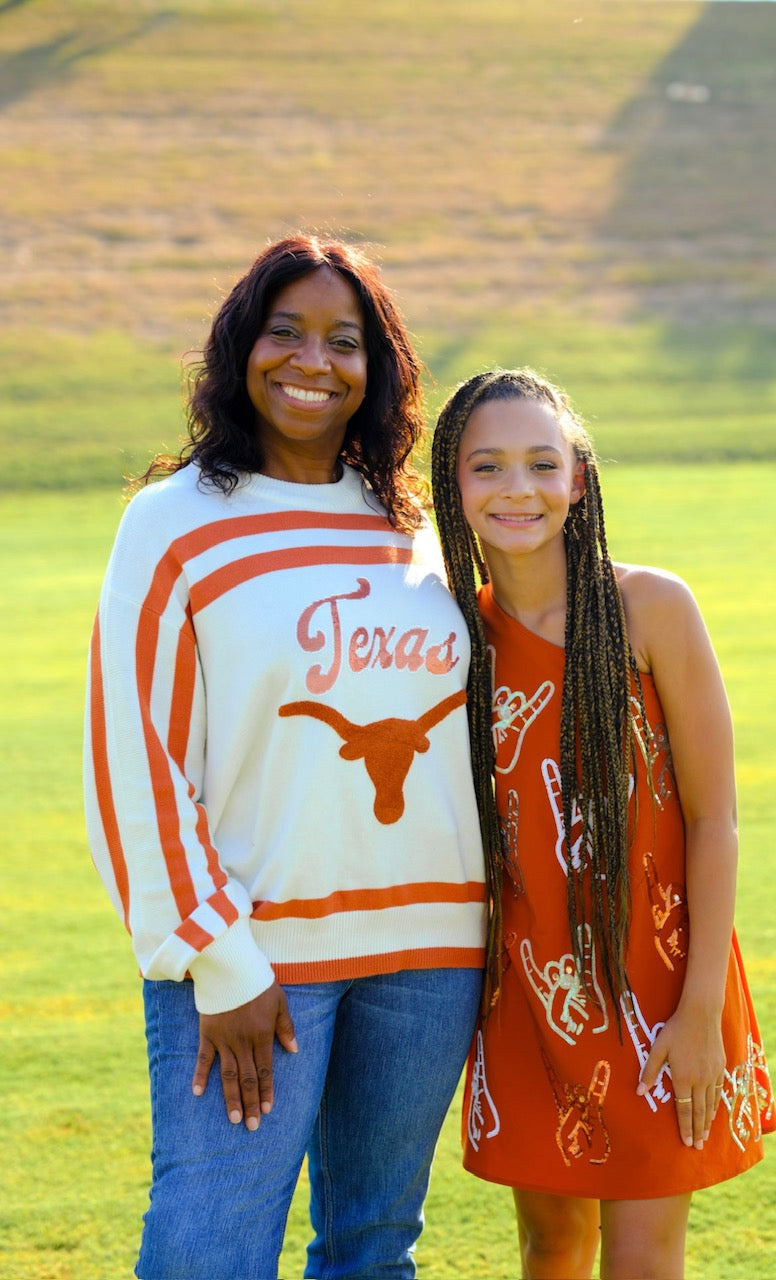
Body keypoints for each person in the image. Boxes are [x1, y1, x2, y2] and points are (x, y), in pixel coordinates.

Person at [84, 235, 492, 1280]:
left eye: (343, 341)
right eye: (286, 331)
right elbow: (136, 754)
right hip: (257, 959)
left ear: (377, 369)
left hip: (430, 956)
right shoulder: (173, 521)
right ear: (239, 347)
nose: (313, 360)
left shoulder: (413, 524)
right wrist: (220, 959)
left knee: (372, 1244)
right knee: (208, 1246)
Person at [431, 368, 774, 1280]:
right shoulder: (453, 637)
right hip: (531, 997)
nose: (517, 489)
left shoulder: (652, 607)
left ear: (577, 478)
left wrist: (700, 1011)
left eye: (542, 464)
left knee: (643, 1257)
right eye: (488, 467)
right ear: (451, 485)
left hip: (666, 993)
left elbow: (714, 819)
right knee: (551, 1247)